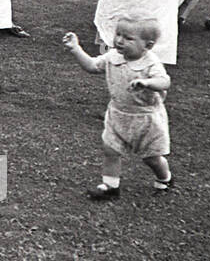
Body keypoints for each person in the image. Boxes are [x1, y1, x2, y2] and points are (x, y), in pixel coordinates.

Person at [62, 18, 173, 200]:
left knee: (151, 157)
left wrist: (147, 82)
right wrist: (75, 48)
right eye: (118, 35)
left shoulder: (150, 63)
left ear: (148, 45)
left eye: (128, 38)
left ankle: (165, 178)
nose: (120, 41)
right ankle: (110, 186)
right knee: (110, 149)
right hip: (117, 114)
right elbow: (92, 66)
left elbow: (164, 81)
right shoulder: (113, 57)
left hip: (146, 119)